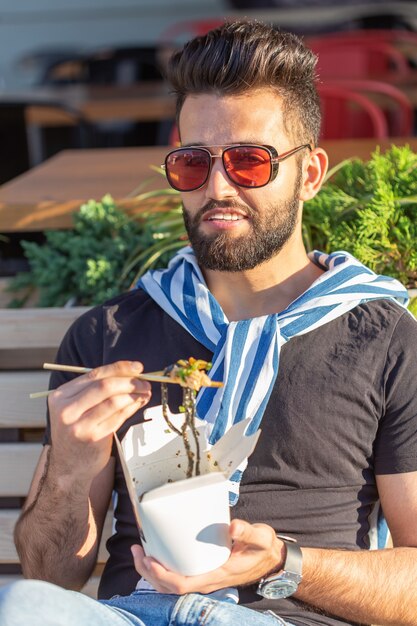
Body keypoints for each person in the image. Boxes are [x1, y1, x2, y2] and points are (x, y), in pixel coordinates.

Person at [2, 19, 417, 626]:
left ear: (310, 174)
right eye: (194, 163)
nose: (218, 186)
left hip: (282, 618)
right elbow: (51, 574)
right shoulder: (110, 335)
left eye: (249, 162)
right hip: (132, 615)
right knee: (23, 605)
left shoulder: (384, 341)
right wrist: (69, 465)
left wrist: (283, 562)